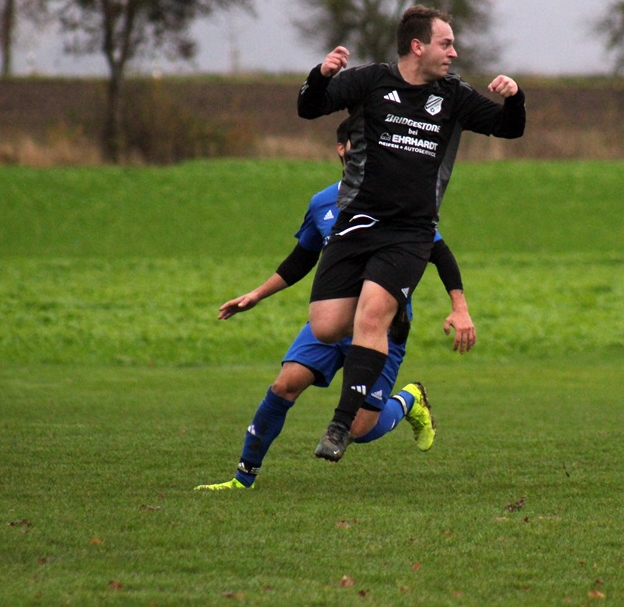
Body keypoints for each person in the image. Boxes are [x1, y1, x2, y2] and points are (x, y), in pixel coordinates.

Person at [195, 118, 475, 491]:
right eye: (358, 141)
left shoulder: (398, 201)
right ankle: (242, 479)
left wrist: (459, 307)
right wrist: (257, 294)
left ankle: (409, 401)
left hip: (381, 327)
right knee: (284, 385)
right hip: (333, 320)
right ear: (341, 148)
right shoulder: (322, 203)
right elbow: (301, 259)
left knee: (360, 429)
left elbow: (439, 252)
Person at [297, 5, 525, 461]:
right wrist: (320, 75)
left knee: (371, 318)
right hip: (357, 224)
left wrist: (515, 97)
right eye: (446, 43)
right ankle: (390, 322)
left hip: (410, 232)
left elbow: (509, 128)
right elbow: (309, 107)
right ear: (418, 46)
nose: (454, 52)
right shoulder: (369, 82)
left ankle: (339, 427)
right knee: (326, 326)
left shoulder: (453, 95)